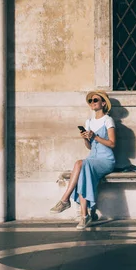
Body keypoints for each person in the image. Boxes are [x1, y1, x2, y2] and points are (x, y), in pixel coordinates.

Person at [49, 91, 116, 229]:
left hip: (106, 160)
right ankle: (84, 215)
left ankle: (66, 200)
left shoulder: (108, 120)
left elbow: (112, 144)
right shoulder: (89, 122)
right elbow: (89, 147)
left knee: (81, 164)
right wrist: (85, 138)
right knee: (80, 164)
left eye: (95, 100)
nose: (92, 102)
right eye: (90, 101)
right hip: (92, 158)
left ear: (103, 103)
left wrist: (95, 136)